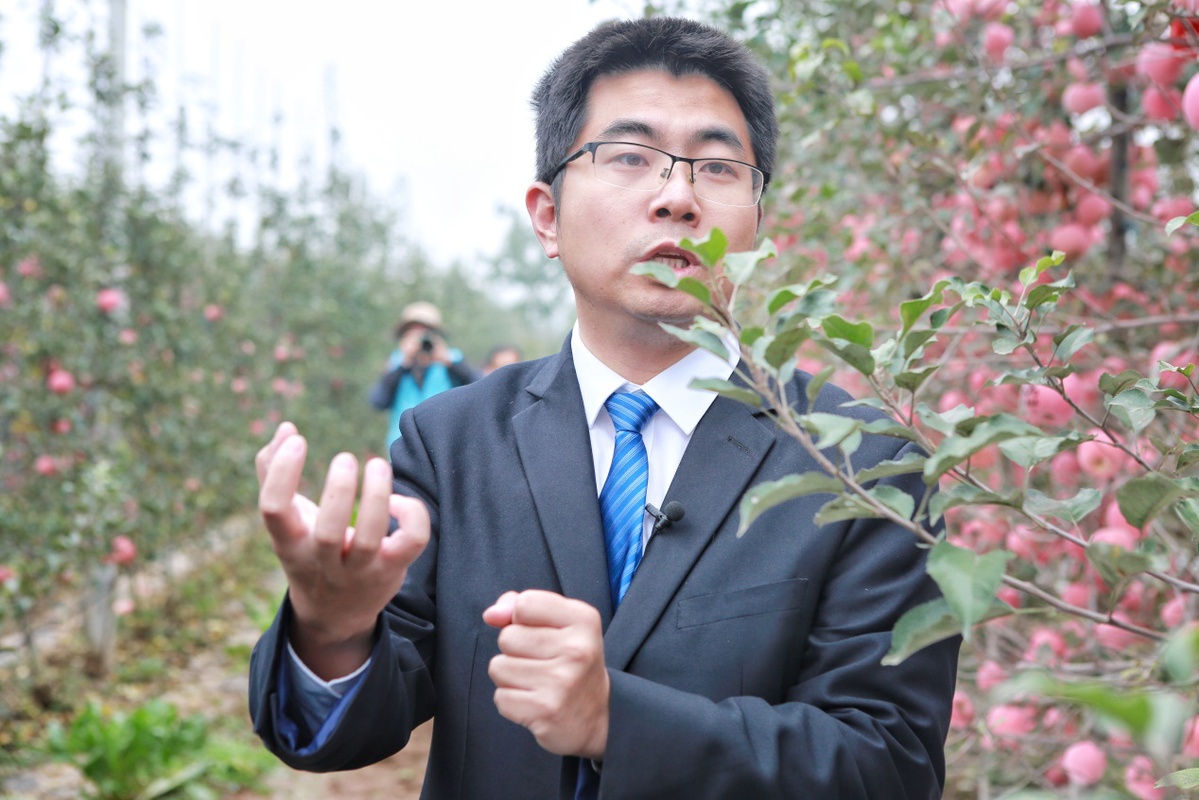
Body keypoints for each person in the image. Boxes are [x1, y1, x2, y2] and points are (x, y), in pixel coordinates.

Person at [251, 16, 959, 800]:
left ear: (758, 222)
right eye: (629, 156)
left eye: (719, 168)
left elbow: (886, 767)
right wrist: (332, 628)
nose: (678, 197)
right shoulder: (452, 442)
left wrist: (616, 719)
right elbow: (352, 726)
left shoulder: (860, 461)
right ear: (547, 216)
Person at [367, 301, 477, 449]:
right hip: (403, 449)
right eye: (413, 334)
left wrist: (449, 362)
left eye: (425, 334)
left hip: (444, 448)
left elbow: (479, 388)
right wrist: (403, 365)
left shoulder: (452, 360)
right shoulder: (397, 363)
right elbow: (378, 401)